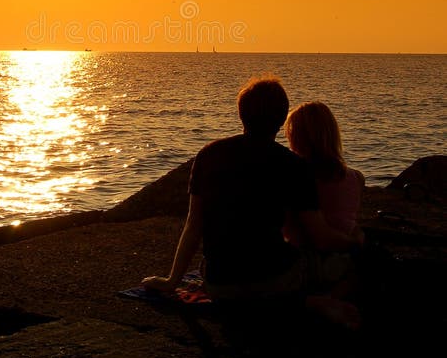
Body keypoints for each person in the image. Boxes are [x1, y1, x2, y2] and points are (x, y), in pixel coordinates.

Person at [143, 77, 363, 327]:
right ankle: (315, 302)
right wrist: (354, 243)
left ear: (241, 114)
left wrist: (172, 281)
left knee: (247, 286)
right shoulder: (293, 166)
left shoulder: (209, 155)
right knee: (351, 267)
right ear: (281, 120)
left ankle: (297, 303)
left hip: (219, 284)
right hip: (277, 279)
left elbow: (194, 226)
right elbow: (321, 236)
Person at [283, 101, 365, 302]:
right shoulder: (356, 178)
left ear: (297, 137)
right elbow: (348, 224)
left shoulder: (294, 178)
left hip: (306, 265)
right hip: (342, 262)